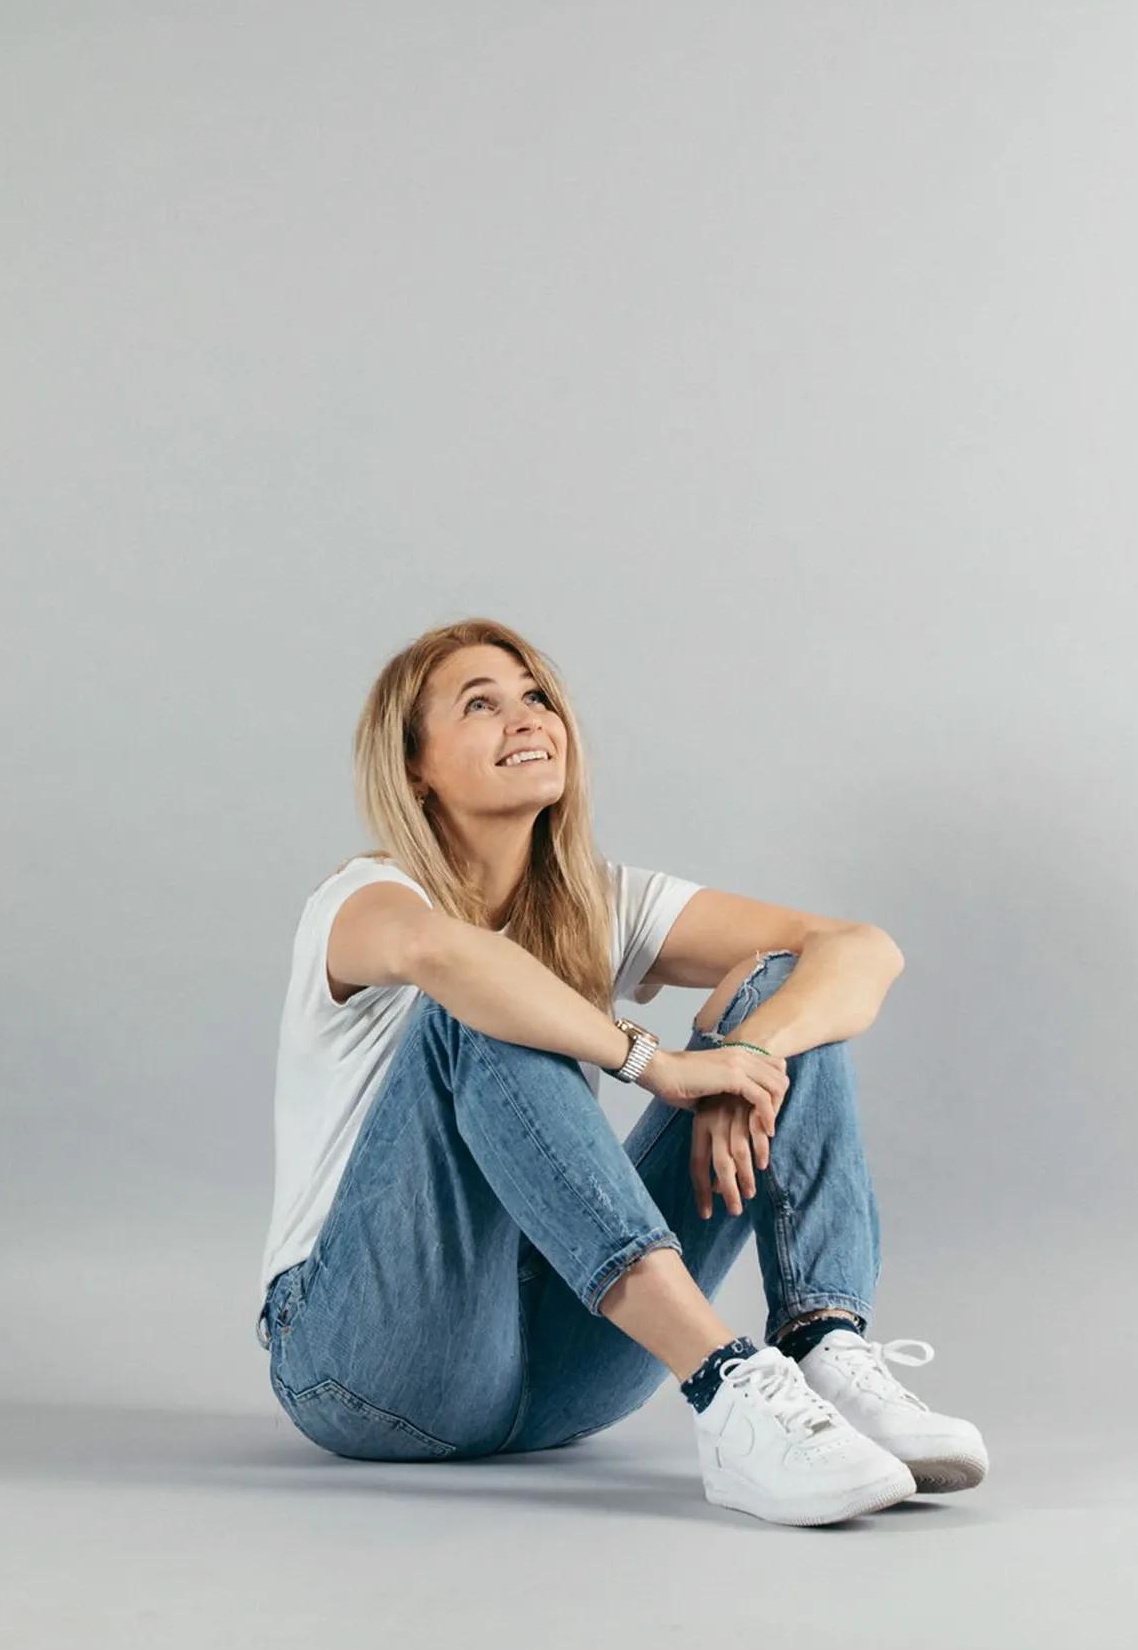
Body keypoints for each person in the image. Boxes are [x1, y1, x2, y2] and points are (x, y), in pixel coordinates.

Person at [256, 617, 988, 1527]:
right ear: (415, 768)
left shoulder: (600, 900)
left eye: (536, 697)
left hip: (562, 1375)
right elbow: (444, 958)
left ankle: (824, 1347)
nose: (527, 718)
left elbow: (858, 949)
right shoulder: (366, 899)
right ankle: (725, 1384)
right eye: (481, 705)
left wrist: (750, 1056)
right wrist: (655, 1064)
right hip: (362, 1363)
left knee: (786, 991)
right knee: (476, 1004)